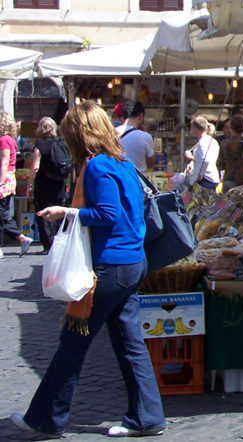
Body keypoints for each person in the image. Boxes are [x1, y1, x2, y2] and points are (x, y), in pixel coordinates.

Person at [10, 101, 165, 438]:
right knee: (130, 343)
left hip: (111, 266)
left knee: (73, 343)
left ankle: (46, 419)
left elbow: (107, 214)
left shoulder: (96, 167)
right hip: (131, 262)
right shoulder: (122, 162)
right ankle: (147, 417)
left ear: (78, 136)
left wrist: (67, 213)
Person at [27, 117, 71, 253]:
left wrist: (29, 186)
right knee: (59, 211)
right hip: (60, 183)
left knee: (43, 212)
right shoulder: (63, 143)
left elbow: (35, 166)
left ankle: (48, 245)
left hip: (44, 184)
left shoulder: (40, 144)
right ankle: (60, 242)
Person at [0, 112, 33, 257]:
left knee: (1, 214)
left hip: (4, 180)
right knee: (4, 214)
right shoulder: (11, 140)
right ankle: (21, 238)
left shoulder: (3, 140)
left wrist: (0, 182)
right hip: (9, 179)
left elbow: (4, 162)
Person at [217, 114, 243, 191]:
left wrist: (218, 178)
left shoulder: (223, 143)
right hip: (241, 181)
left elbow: (219, 163)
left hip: (227, 179)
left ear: (231, 128)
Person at [115, 101, 155, 172]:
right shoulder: (145, 137)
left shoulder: (112, 133)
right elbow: (151, 163)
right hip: (137, 180)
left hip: (118, 178)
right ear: (140, 116)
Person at [186, 116, 220, 190]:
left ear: (195, 128)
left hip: (205, 179)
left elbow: (205, 160)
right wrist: (192, 162)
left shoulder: (203, 142)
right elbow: (202, 158)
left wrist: (200, 175)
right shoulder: (212, 141)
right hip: (212, 176)